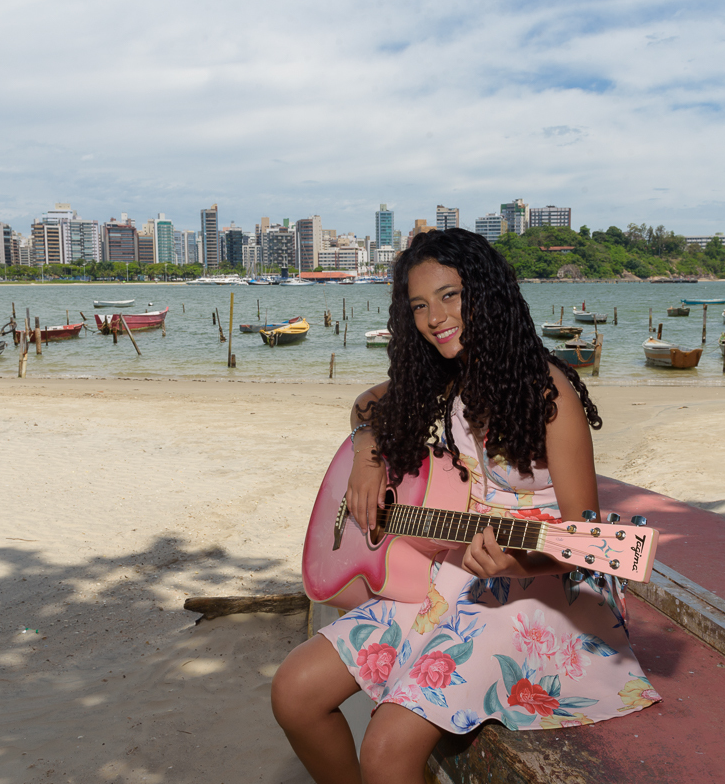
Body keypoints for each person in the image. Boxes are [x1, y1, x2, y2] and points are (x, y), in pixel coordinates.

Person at [271, 228, 659, 784]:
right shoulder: (446, 376)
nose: (435, 318)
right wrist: (367, 453)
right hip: (455, 574)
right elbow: (366, 403)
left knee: (386, 749)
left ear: (485, 293)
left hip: (540, 590)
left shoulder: (548, 393)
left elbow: (584, 541)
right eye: (420, 306)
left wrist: (516, 561)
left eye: (450, 295)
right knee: (294, 692)